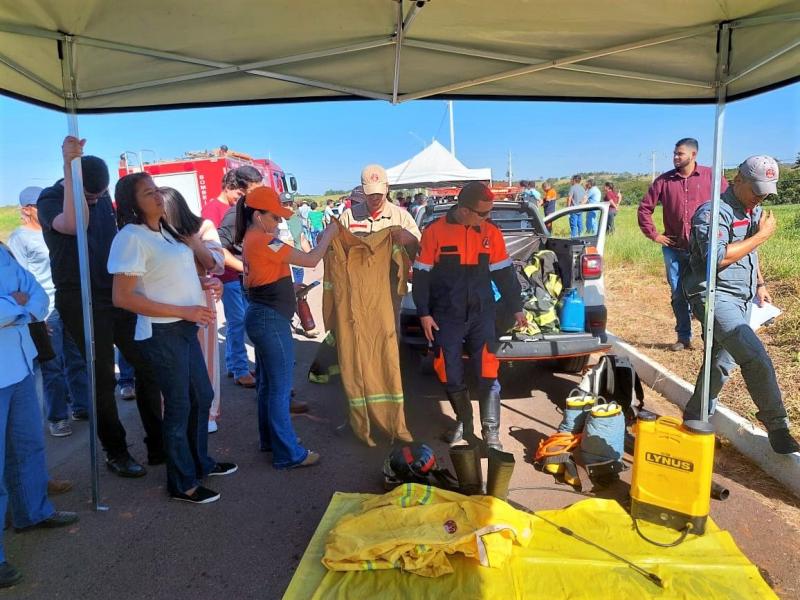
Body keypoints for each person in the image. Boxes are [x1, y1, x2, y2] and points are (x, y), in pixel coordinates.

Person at [38, 136, 164, 476]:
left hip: (115, 295)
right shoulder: (50, 199)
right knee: (101, 378)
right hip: (79, 299)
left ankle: (158, 442)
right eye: (90, 195)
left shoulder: (105, 197)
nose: (95, 201)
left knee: (147, 365)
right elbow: (76, 225)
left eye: (99, 195)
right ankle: (116, 451)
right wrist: (69, 167)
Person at [109, 173, 237, 504]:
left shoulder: (166, 230)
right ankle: (181, 482)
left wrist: (204, 284)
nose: (158, 197)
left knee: (202, 396)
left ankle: (199, 463)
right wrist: (186, 311)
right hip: (161, 332)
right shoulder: (130, 237)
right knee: (180, 405)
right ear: (132, 203)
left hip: (182, 328)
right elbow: (123, 298)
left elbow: (175, 273)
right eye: (148, 193)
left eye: (156, 191)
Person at [682, 156, 798, 455]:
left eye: (766, 191)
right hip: (713, 296)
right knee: (754, 355)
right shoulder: (711, 213)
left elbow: (749, 254)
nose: (760, 196)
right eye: (756, 189)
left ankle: (694, 418)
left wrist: (760, 284)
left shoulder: (753, 208)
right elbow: (717, 258)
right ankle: (777, 425)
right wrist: (762, 235)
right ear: (738, 179)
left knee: (721, 363)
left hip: (743, 297)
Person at [412, 182, 525, 450]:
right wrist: (424, 313)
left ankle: (492, 435)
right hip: (445, 316)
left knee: (488, 370)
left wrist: (517, 306)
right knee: (448, 372)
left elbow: (504, 273)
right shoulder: (434, 232)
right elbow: (421, 276)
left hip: (482, 315)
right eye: (483, 214)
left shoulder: (491, 233)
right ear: (463, 210)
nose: (489, 219)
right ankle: (465, 421)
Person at [237, 186, 336, 469]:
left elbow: (257, 278)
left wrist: (287, 286)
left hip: (263, 316)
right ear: (258, 216)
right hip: (270, 320)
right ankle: (289, 453)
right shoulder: (265, 241)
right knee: (279, 389)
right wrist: (328, 234)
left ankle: (271, 441)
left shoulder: (253, 240)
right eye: (275, 217)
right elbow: (311, 259)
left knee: (268, 386)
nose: (279, 223)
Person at [0, 242, 80, 588]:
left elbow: (35, 291)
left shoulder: (2, 249)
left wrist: (24, 307)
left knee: (28, 446)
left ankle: (33, 512)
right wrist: (17, 305)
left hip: (18, 363)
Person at [8, 186, 89, 436]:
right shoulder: (19, 238)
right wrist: (33, 315)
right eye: (37, 204)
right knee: (52, 364)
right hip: (44, 310)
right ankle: (57, 416)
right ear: (27, 210)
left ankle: (81, 405)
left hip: (67, 302)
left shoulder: (54, 229)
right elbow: (20, 281)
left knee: (76, 357)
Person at [638, 137, 729, 352]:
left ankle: (711, 338)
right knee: (678, 293)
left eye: (680, 154)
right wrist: (654, 235)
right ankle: (683, 337)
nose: (675, 157)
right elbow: (644, 209)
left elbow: (729, 204)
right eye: (674, 153)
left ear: (693, 155)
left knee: (706, 293)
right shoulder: (664, 181)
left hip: (703, 249)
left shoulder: (712, 177)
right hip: (674, 248)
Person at [162, 186, 226, 434]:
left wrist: (193, 242)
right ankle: (174, 410)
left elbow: (215, 264)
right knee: (173, 361)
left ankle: (207, 412)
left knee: (205, 357)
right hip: (167, 303)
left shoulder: (203, 227)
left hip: (200, 301)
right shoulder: (153, 232)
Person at [215, 166, 263, 388]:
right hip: (229, 278)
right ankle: (240, 369)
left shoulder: (242, 211)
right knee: (238, 323)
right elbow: (216, 249)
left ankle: (236, 367)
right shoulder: (226, 213)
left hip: (239, 278)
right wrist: (246, 268)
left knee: (241, 324)